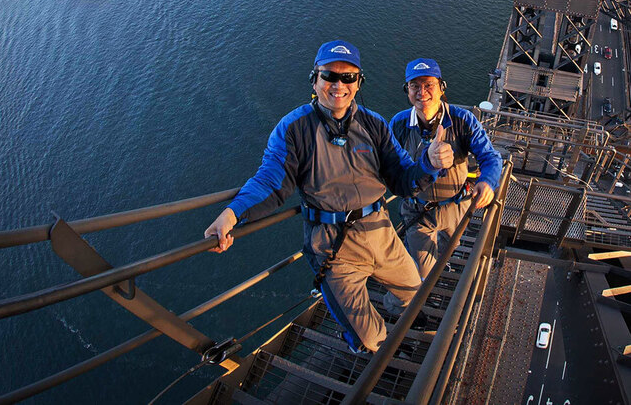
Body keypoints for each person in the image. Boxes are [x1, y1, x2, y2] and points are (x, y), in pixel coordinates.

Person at [204, 40, 453, 353]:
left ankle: (405, 328)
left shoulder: (374, 124)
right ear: (315, 79)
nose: (339, 85)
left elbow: (403, 177)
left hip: (381, 232)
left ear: (358, 82)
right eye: (330, 76)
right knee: (368, 340)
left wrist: (428, 163)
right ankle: (378, 350)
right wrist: (232, 213)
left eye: (348, 77)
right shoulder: (294, 129)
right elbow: (271, 180)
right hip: (334, 248)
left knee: (414, 293)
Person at [390, 58, 502, 279]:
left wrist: (487, 181)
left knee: (451, 245)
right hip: (417, 211)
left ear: (441, 88)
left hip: (455, 206)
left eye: (429, 85)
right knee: (421, 272)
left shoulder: (463, 120)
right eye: (415, 86)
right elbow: (389, 164)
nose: (422, 92)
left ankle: (440, 262)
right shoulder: (398, 124)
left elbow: (490, 156)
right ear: (407, 91)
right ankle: (402, 304)